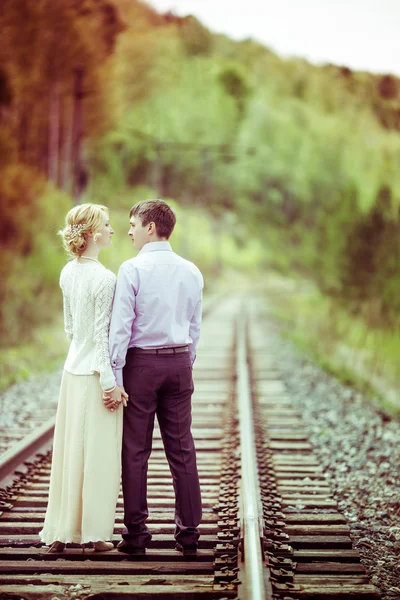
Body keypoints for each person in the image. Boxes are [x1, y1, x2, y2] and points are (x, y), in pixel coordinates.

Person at [105, 199, 203, 558]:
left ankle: (136, 535)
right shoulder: (191, 270)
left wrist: (116, 375)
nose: (129, 231)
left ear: (150, 227)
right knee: (182, 449)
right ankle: (189, 534)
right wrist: (184, 362)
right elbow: (195, 325)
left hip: (141, 366)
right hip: (179, 364)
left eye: (133, 224)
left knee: (135, 450)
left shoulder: (132, 269)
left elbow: (121, 329)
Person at [39, 203, 128, 554]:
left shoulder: (66, 273)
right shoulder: (106, 279)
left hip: (71, 372)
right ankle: (94, 535)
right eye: (107, 225)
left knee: (69, 452)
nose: (112, 230)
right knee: (99, 455)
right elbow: (102, 339)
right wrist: (111, 385)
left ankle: (60, 532)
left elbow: (71, 329)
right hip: (94, 376)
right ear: (92, 234)